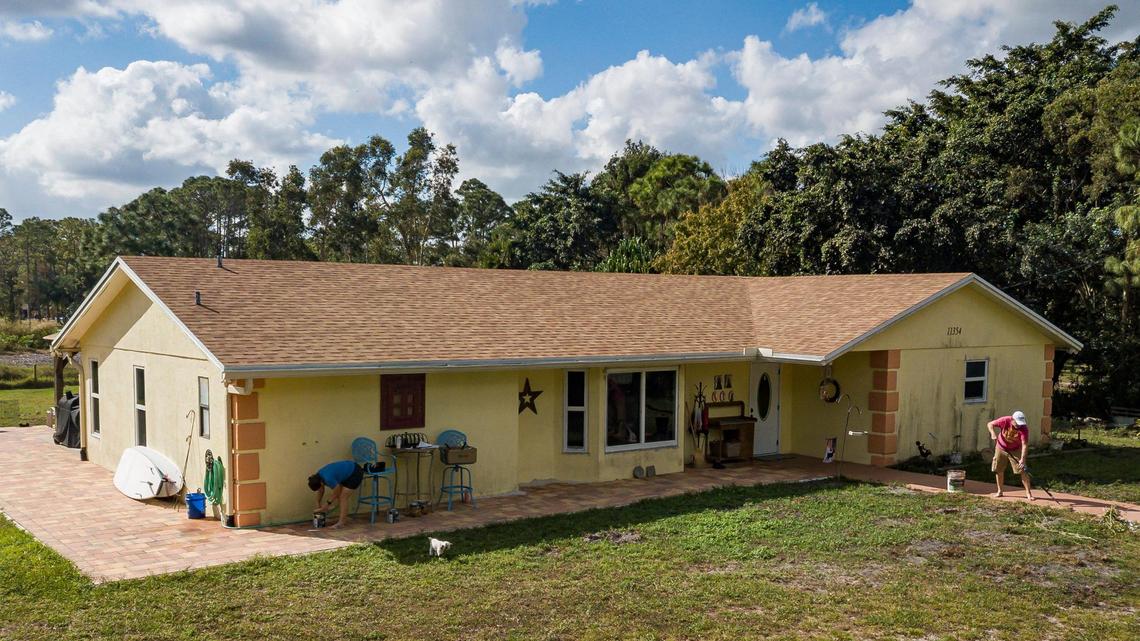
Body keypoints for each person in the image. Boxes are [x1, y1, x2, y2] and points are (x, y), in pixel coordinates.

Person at [987, 410, 1035, 501]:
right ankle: (1000, 491)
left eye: (1020, 424)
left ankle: (1028, 494)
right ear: (1012, 420)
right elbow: (990, 424)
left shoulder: (1024, 429)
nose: (1018, 425)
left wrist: (1022, 459)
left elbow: (1024, 445)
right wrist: (993, 433)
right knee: (999, 469)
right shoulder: (1005, 420)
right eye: (1017, 423)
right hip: (1001, 447)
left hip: (1015, 449)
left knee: (1023, 470)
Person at [307, 460, 364, 529]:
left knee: (343, 497)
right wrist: (318, 503)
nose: (320, 489)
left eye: (320, 487)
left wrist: (327, 505)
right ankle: (338, 513)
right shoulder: (318, 477)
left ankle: (341, 523)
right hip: (347, 471)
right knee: (339, 497)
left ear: (321, 483)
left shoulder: (328, 478)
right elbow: (321, 490)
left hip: (355, 472)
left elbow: (336, 492)